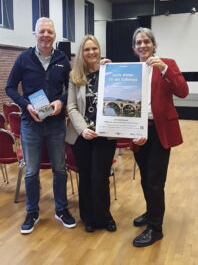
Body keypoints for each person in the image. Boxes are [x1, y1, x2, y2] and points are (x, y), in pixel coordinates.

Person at [5, 17, 76, 234]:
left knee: (59, 169)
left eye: (50, 32)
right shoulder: (23, 58)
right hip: (30, 124)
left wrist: (60, 101)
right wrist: (26, 106)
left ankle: (61, 209)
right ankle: (32, 211)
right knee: (31, 171)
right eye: (42, 31)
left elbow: (71, 87)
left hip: (56, 124)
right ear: (35, 34)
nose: (46, 35)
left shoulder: (63, 58)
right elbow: (10, 88)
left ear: (54, 36)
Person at [131, 27, 189, 247]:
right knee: (146, 178)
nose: (143, 45)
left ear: (154, 44)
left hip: (159, 130)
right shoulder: (133, 69)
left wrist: (165, 69)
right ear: (134, 47)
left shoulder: (168, 63)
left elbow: (183, 91)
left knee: (155, 182)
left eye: (146, 41)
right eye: (138, 43)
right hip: (138, 130)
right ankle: (151, 212)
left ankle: (156, 229)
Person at [65, 35, 117, 233]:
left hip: (105, 135)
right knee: (86, 176)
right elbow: (70, 106)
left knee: (101, 176)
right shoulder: (75, 76)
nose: (91, 52)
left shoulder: (109, 72)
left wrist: (112, 71)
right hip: (82, 136)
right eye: (87, 49)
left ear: (99, 50)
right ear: (81, 53)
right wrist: (82, 128)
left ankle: (105, 217)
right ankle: (87, 217)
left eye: (94, 48)